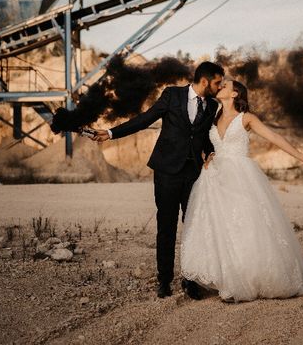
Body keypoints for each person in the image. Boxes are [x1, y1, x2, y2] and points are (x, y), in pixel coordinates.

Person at [91, 61, 224, 299]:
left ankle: (190, 280)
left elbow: (205, 138)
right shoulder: (173, 94)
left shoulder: (213, 105)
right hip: (166, 171)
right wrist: (111, 133)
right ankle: (164, 280)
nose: (220, 86)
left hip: (194, 174)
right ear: (204, 81)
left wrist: (213, 152)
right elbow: (145, 118)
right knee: (166, 226)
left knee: (193, 228)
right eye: (217, 82)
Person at [180, 79, 303, 302]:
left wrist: (301, 156)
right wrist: (206, 157)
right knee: (219, 226)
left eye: (225, 85)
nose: (220, 86)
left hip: (240, 175)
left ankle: (252, 277)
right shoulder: (212, 115)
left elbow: (274, 137)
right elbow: (201, 141)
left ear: (234, 94)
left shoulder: (247, 118)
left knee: (245, 224)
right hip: (214, 176)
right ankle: (228, 278)